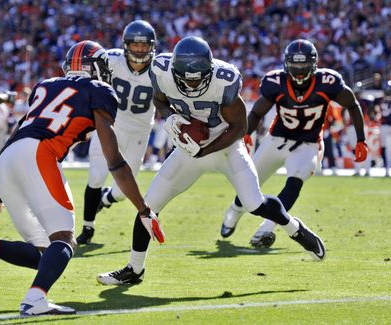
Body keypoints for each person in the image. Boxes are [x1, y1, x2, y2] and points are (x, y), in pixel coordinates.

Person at [96, 36, 326, 286]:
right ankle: (134, 269)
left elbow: (240, 127)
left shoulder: (223, 80)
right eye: (187, 77)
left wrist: (205, 150)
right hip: (188, 151)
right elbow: (160, 100)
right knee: (148, 208)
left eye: (198, 78)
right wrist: (171, 118)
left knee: (253, 203)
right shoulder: (161, 71)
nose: (192, 83)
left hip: (226, 147)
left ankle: (295, 228)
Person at [0, 40, 163, 316]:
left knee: (46, 254)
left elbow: (17, 134)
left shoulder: (45, 85)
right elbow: (116, 162)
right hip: (40, 154)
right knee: (64, 240)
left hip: (8, 158)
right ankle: (35, 300)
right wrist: (143, 209)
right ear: (97, 68)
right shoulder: (99, 90)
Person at [221, 39, 368, 248]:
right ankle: (234, 212)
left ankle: (267, 227)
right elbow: (256, 112)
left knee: (294, 182)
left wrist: (361, 140)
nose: (299, 71)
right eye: (295, 65)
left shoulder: (327, 82)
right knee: (251, 181)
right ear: (286, 64)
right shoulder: (275, 82)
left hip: (308, 144)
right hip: (276, 140)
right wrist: (246, 133)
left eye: (304, 65)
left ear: (314, 64)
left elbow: (353, 104)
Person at [76, 20, 157, 245]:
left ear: (152, 46)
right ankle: (88, 227)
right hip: (110, 123)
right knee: (96, 176)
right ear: (125, 45)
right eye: (135, 44)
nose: (140, 50)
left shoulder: (160, 68)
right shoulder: (110, 60)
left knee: (123, 190)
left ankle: (107, 199)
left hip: (139, 130)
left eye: (144, 45)